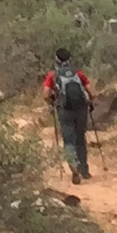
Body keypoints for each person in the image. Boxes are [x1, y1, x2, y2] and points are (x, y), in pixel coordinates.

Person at [43, 50, 95, 182]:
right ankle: (84, 170)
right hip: (80, 110)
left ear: (56, 60)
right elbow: (91, 92)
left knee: (69, 141)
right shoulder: (78, 73)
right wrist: (89, 102)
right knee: (80, 139)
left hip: (65, 111)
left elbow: (45, 95)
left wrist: (53, 103)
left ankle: (74, 168)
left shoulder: (53, 75)